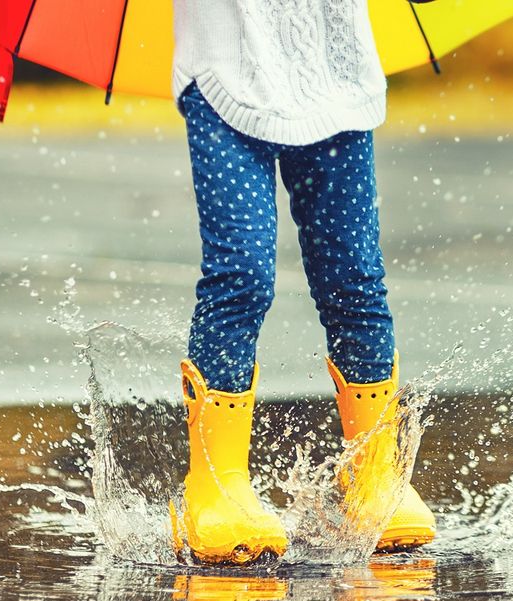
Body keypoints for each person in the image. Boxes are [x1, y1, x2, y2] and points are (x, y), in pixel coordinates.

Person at [168, 0, 435, 565]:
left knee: (354, 281)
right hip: (224, 73)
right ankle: (215, 483)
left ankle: (373, 477)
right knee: (240, 275)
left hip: (335, 80)